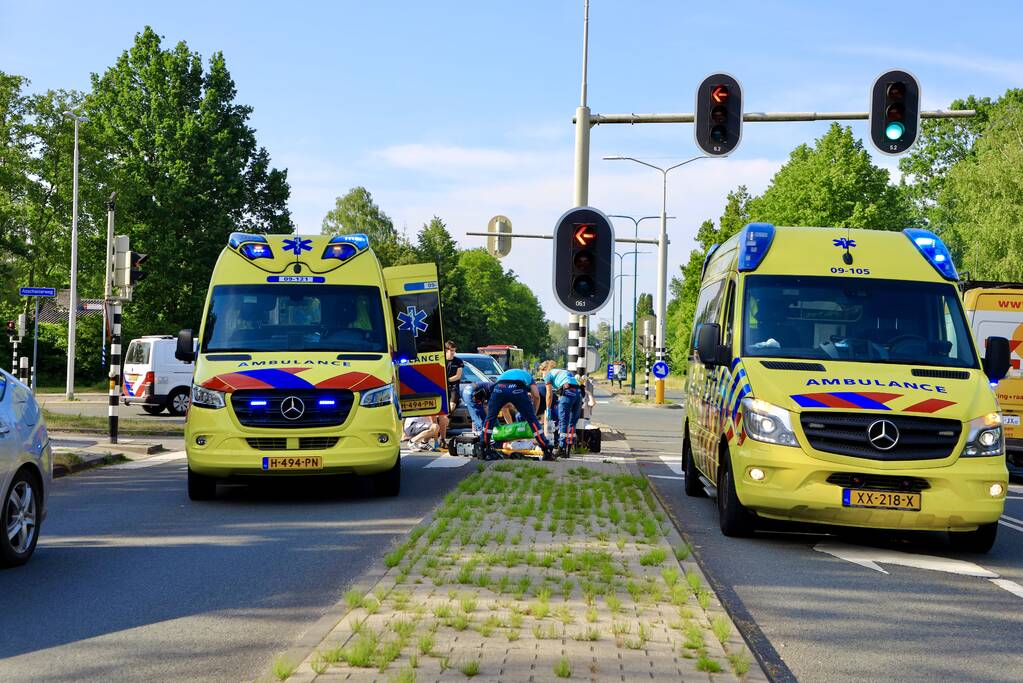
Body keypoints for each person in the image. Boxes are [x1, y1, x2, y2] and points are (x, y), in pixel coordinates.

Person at [482, 367, 552, 460]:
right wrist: (533, 413)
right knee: (532, 421)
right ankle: (545, 447)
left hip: (499, 388)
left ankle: (484, 446)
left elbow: (503, 408)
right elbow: (536, 396)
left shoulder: (504, 375)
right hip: (517, 389)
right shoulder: (528, 377)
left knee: (490, 419)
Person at [539, 360, 583, 459]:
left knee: (563, 421)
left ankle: (561, 448)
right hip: (578, 393)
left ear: (545, 369)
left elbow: (549, 394)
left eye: (541, 372)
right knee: (572, 423)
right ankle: (568, 449)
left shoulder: (548, 375)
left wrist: (548, 408)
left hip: (567, 393)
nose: (542, 375)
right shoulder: (562, 371)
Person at [438, 341, 463, 449]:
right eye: (451, 350)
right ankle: (440, 433)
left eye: (454, 350)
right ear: (445, 350)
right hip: (442, 388)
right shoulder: (440, 360)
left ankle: (443, 425)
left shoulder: (458, 361)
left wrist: (446, 380)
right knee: (441, 411)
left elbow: (458, 376)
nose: (453, 353)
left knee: (451, 407)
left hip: (453, 388)